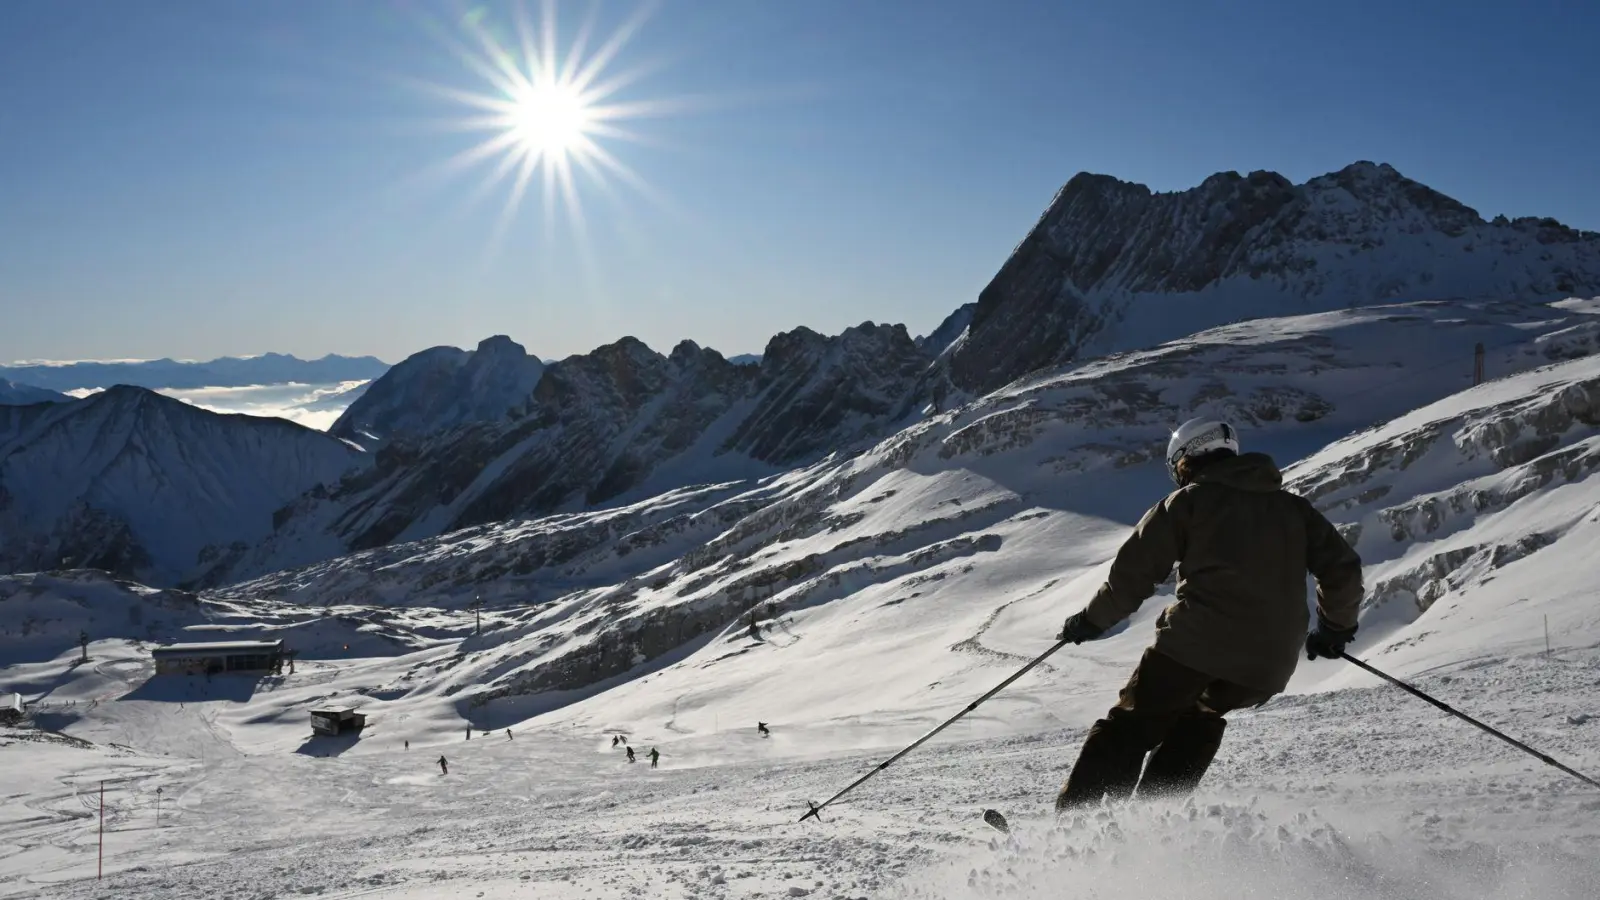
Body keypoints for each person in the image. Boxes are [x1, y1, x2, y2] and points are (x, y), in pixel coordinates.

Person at [1053, 417, 1363, 813]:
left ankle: (1078, 828)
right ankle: (1154, 828)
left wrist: (1091, 620)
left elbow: (1132, 576)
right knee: (1197, 719)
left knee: (1133, 724)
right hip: (1266, 666)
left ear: (1185, 460)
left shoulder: (1188, 503)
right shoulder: (1294, 509)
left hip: (1195, 644)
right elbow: (1343, 571)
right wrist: (1335, 628)